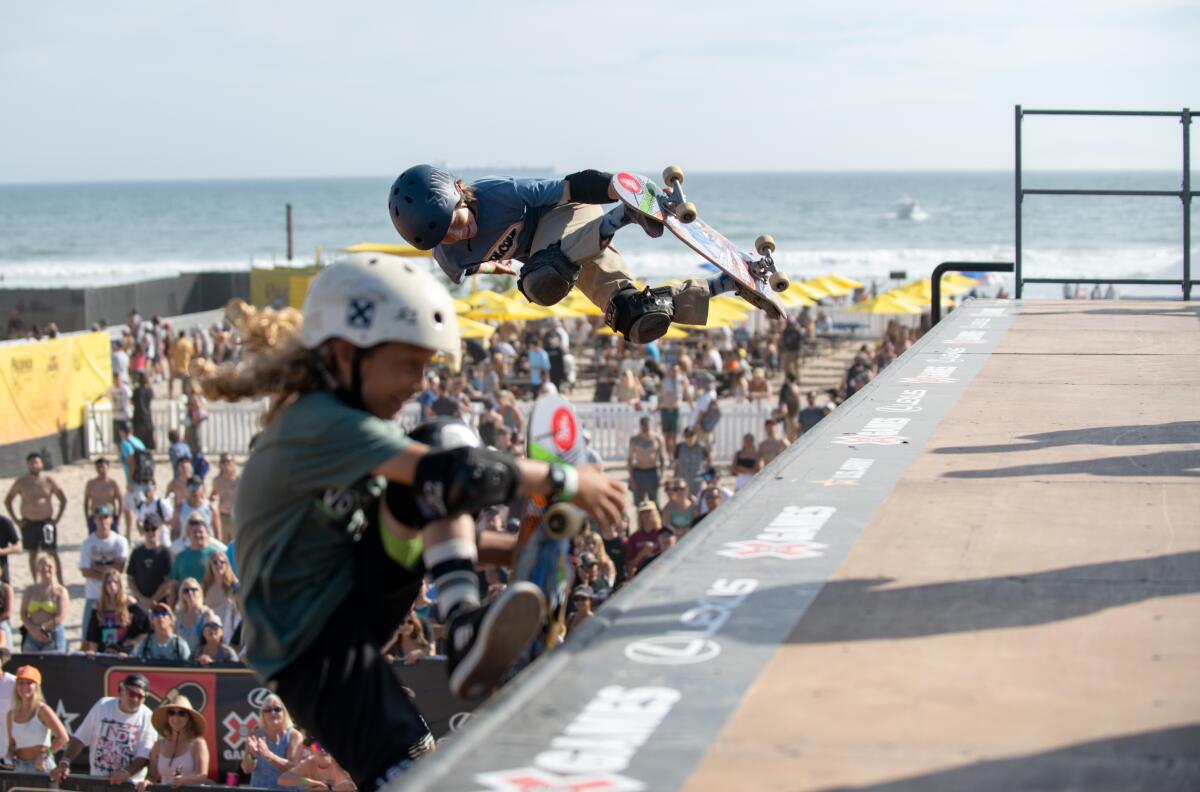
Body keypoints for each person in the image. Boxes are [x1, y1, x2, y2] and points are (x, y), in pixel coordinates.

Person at [195, 259, 625, 787]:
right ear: (347, 354)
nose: (419, 383)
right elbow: (455, 476)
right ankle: (464, 626)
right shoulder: (319, 422)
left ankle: (464, 624)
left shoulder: (343, 422)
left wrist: (516, 550)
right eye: (408, 364)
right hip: (308, 645)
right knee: (406, 767)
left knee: (437, 450)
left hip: (344, 610)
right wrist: (568, 481)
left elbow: (424, 516)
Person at [388, 165, 723, 344]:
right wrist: (497, 266)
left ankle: (624, 213)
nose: (458, 234)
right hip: (565, 255)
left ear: (460, 193)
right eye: (446, 236)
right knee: (634, 316)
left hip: (572, 213)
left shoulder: (498, 194)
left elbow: (572, 186)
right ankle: (723, 285)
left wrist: (626, 190)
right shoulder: (449, 257)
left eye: (456, 222)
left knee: (540, 278)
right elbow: (469, 269)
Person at [53, 673, 156, 785]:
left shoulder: (148, 717)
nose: (135, 699)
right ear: (122, 690)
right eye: (132, 694)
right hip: (98, 782)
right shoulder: (103, 705)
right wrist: (65, 762)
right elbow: (80, 738)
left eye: (140, 696)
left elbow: (145, 755)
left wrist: (126, 773)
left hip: (130, 785)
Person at [4, 452, 65, 581]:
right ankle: (36, 581)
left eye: (37, 462)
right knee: (33, 553)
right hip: (29, 522)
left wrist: (57, 518)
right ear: (27, 465)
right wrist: (16, 520)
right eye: (31, 463)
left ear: (41, 463)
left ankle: (60, 580)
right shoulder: (22, 482)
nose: (34, 465)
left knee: (52, 552)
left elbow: (62, 498)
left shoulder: (48, 480)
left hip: (46, 522)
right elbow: (8, 500)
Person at [6, 666, 68, 775]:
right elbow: (12, 744)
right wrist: (8, 758)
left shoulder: (42, 709)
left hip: (42, 767)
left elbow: (63, 738)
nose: (24, 686)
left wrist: (45, 755)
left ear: (36, 686)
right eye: (21, 682)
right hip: (19, 768)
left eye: (29, 683)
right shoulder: (10, 714)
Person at [79, 504, 130, 637]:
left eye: (106, 517)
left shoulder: (120, 541)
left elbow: (119, 569)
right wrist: (109, 572)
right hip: (93, 594)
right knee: (88, 635)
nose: (103, 521)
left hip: (116, 597)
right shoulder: (88, 543)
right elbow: (85, 572)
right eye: (99, 518)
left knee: (119, 634)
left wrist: (97, 567)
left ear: (111, 519)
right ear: (94, 520)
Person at [142, 694, 210, 789]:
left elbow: (202, 776)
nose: (176, 717)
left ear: (188, 718)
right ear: (168, 717)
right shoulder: (158, 745)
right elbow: (151, 775)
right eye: (171, 712)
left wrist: (184, 780)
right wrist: (147, 781)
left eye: (181, 713)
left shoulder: (198, 743)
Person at [240, 694, 304, 790]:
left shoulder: (294, 736)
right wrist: (252, 756)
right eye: (268, 710)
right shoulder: (255, 735)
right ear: (263, 715)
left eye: (277, 709)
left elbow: (293, 769)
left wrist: (269, 756)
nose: (272, 713)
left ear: (284, 712)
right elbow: (246, 769)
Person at [84, 568, 150, 655]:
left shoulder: (128, 602)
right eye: (108, 582)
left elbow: (147, 625)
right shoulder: (98, 606)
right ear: (104, 585)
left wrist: (136, 641)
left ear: (120, 585)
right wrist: (93, 655)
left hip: (124, 653)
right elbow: (92, 636)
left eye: (115, 582)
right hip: (104, 651)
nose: (112, 585)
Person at [20, 556, 68, 653]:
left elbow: (60, 617)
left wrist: (42, 628)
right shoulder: (30, 590)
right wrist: (33, 630)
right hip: (32, 634)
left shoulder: (60, 591)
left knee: (51, 665)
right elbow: (23, 614)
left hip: (53, 634)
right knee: (29, 665)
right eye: (42, 566)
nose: (46, 569)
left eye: (49, 566)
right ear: (37, 569)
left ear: (55, 568)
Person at [128, 514, 175, 610]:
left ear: (160, 530)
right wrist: (141, 598)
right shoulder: (137, 552)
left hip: (161, 604)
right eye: (147, 529)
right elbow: (130, 578)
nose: (150, 533)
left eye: (153, 529)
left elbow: (169, 581)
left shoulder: (166, 553)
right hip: (140, 603)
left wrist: (153, 600)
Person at [279, 741, 356, 791]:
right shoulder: (308, 763)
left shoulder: (339, 763)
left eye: (326, 745)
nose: (322, 749)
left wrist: (328, 789)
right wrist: (307, 782)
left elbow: (353, 785)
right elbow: (282, 780)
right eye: (317, 745)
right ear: (311, 749)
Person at [169, 518, 221, 590]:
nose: (198, 535)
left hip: (211, 598)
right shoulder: (181, 556)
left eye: (200, 532)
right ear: (189, 534)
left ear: (207, 534)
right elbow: (174, 582)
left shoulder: (216, 554)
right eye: (194, 532)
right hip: (186, 597)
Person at [626, 416, 666, 508]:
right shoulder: (635, 440)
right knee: (639, 504)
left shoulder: (657, 438)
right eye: (643, 426)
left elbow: (662, 458)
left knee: (655, 503)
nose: (645, 428)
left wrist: (662, 476)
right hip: (639, 472)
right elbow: (630, 459)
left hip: (652, 472)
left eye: (647, 426)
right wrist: (631, 478)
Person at [202, 551, 239, 639]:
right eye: (215, 562)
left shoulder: (233, 585)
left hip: (229, 630)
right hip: (209, 630)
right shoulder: (205, 586)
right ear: (210, 566)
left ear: (227, 565)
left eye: (222, 562)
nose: (218, 564)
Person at [174, 577, 215, 655]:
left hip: (200, 659)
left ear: (199, 592)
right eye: (186, 591)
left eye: (193, 590)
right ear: (182, 594)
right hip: (180, 659)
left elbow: (212, 641)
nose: (190, 593)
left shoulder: (207, 614)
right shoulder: (178, 615)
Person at [84, 458, 124, 535]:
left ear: (108, 467)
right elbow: (86, 501)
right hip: (95, 516)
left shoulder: (113, 483)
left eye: (103, 467)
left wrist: (118, 518)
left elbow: (120, 501)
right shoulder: (91, 483)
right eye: (98, 467)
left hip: (109, 515)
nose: (100, 469)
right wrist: (87, 517)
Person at [623, 502, 663, 578]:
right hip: (641, 575)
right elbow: (629, 567)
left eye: (649, 511)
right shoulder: (634, 538)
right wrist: (642, 554)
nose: (646, 515)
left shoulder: (662, 534)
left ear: (655, 513)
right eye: (643, 512)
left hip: (660, 573)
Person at [673, 426, 712, 497]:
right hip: (683, 481)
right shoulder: (680, 447)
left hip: (697, 482)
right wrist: (675, 479)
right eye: (687, 436)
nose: (689, 439)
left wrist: (708, 480)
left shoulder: (701, 447)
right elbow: (676, 464)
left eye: (691, 436)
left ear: (695, 436)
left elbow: (708, 465)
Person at [210, 454, 240, 542]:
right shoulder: (217, 481)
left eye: (229, 461)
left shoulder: (240, 479)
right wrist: (213, 498)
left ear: (234, 463)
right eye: (223, 461)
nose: (226, 464)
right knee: (223, 546)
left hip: (236, 517)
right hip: (222, 517)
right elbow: (213, 494)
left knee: (236, 546)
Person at [131, 371, 156, 451]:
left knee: (138, 440)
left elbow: (132, 401)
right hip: (147, 418)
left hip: (138, 418)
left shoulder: (137, 391)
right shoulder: (149, 390)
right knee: (147, 440)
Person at [0, 515, 22, 588]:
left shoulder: (4, 523)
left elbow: (18, 547)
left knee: (6, 589)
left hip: (1, 567)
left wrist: (2, 551)